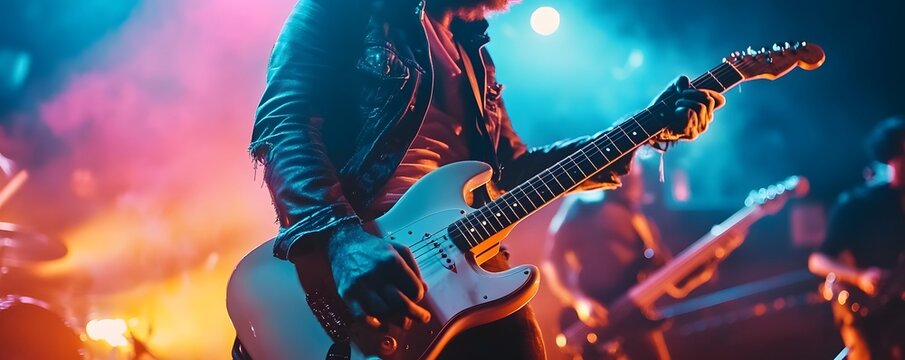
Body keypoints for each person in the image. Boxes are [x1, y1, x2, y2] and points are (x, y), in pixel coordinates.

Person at [246, 0, 725, 358]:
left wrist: (645, 129)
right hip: (363, 258)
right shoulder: (348, 8)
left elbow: (512, 171)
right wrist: (342, 239)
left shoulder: (473, 49)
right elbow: (283, 123)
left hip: (471, 270)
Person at [544, 162, 717, 360]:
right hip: (596, 321)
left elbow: (674, 284)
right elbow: (552, 260)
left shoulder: (643, 223)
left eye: (635, 171)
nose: (632, 175)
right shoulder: (582, 205)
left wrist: (714, 256)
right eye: (627, 168)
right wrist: (579, 301)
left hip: (636, 320)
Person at [809, 117, 905, 360]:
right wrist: (860, 277)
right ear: (890, 157)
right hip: (861, 312)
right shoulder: (856, 203)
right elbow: (818, 260)